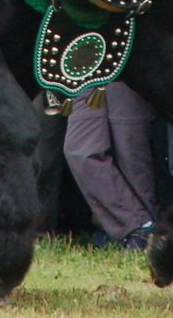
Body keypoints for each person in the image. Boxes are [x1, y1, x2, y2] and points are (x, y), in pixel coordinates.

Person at [65, 81, 158, 250]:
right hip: (86, 71)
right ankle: (139, 225)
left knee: (130, 153)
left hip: (130, 69)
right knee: (79, 150)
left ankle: (140, 231)